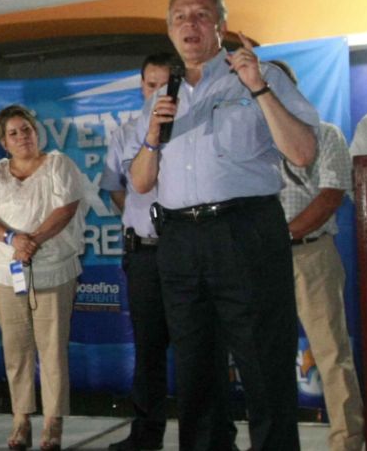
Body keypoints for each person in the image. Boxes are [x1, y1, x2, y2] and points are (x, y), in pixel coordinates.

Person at [129, 0, 319, 451]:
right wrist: (153, 135)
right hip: (178, 241)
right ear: (170, 31)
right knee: (195, 369)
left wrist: (258, 88)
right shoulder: (162, 97)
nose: (189, 25)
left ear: (221, 26)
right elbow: (139, 181)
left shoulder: (259, 75)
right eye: (179, 17)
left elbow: (302, 152)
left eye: (200, 15)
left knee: (262, 362)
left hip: (244, 232)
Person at [102, 52, 238, 451]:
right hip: (144, 254)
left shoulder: (197, 125)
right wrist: (139, 218)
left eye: (166, 85)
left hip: (190, 252)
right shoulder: (126, 132)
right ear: (141, 85)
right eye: (150, 85)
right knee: (148, 350)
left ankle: (212, 440)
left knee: (203, 349)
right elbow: (116, 187)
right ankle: (145, 436)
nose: (158, 92)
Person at [0, 105, 86, 451]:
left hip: (52, 271)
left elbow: (65, 210)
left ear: (37, 133)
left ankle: (53, 422)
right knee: (16, 350)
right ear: (3, 142)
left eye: (27, 130)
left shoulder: (58, 165)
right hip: (7, 274)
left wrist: (33, 240)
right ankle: (20, 418)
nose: (23, 137)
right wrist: (12, 240)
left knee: (52, 350)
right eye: (14, 133)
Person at [270, 61, 365, 451]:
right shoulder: (249, 141)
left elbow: (330, 197)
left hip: (310, 255)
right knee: (263, 356)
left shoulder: (325, 134)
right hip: (259, 261)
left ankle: (347, 441)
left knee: (331, 352)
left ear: (292, 89)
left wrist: (278, 234)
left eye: (277, 85)